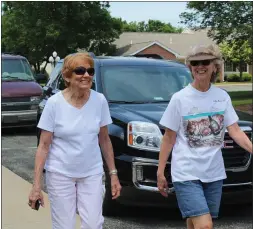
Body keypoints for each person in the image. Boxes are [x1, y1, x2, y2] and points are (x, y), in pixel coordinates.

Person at [157, 44, 252, 229]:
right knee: (205, 225)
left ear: (215, 66)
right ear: (190, 67)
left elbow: (235, 130)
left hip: (214, 172)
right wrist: (160, 172)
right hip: (186, 172)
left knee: (195, 221)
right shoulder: (180, 98)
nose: (200, 66)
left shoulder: (222, 96)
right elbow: (169, 137)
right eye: (195, 63)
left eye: (205, 62)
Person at [28, 52, 122, 229]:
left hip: (91, 173)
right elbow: (43, 146)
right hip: (60, 173)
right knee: (64, 225)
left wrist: (113, 174)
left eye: (90, 71)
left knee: (94, 224)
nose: (86, 75)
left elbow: (104, 140)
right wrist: (36, 185)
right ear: (67, 76)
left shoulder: (99, 100)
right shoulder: (54, 104)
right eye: (80, 71)